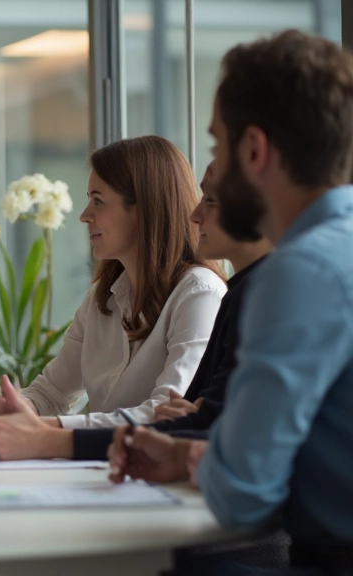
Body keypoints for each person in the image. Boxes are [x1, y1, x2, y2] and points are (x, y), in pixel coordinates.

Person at [108, 30, 353, 575]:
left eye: (218, 146)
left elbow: (244, 491)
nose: (209, 174)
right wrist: (190, 454)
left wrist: (199, 458)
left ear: (255, 151)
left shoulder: (299, 271)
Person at [0, 161, 271, 461]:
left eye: (98, 202)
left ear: (144, 210)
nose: (85, 216)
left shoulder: (200, 292)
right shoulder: (104, 295)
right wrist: (21, 409)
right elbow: (52, 392)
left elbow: (163, 414)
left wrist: (44, 432)